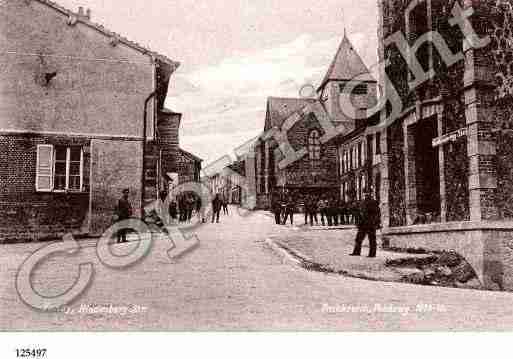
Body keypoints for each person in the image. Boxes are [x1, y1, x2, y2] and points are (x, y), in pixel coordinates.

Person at [350, 193, 381, 258]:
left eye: (367, 194)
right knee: (360, 239)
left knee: (370, 239)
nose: (366, 196)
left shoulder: (372, 203)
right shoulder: (363, 203)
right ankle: (358, 252)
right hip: (364, 224)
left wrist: (376, 223)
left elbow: (377, 214)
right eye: (365, 194)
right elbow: (359, 213)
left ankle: (371, 254)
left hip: (369, 224)